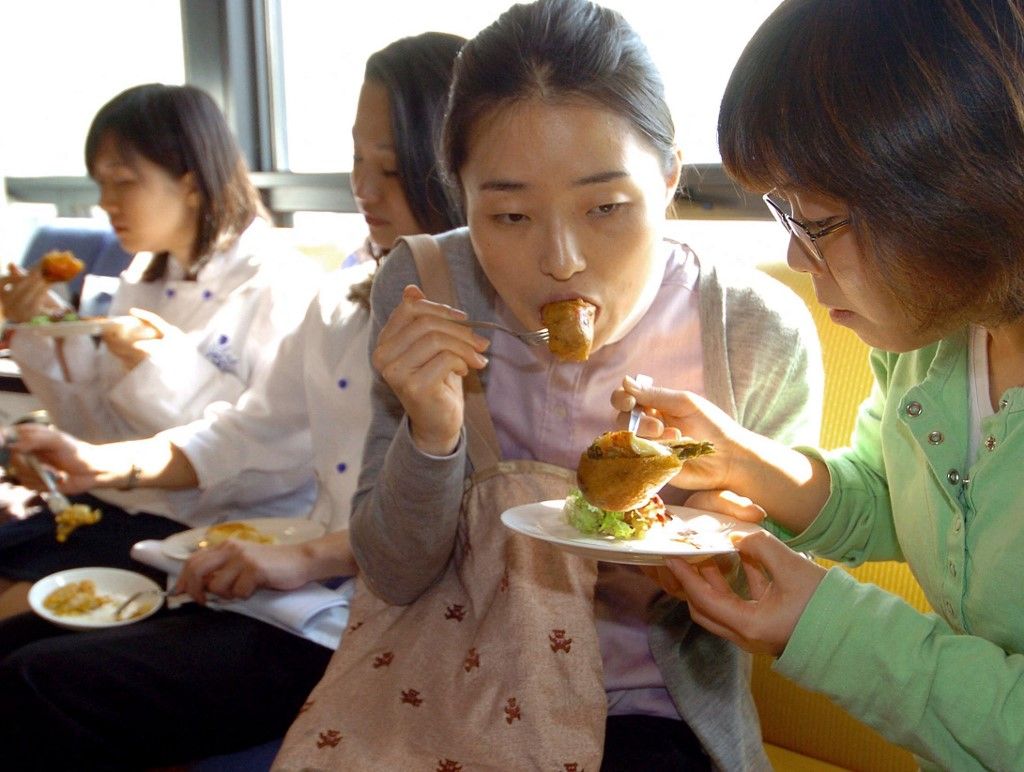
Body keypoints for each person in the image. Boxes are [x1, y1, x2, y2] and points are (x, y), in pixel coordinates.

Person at [275, 2, 821, 770]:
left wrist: (710, 540)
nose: (561, 259)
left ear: (668, 177)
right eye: (509, 214)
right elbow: (393, 572)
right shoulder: (428, 287)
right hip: (444, 685)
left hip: (645, 709)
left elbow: (771, 594)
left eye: (606, 206)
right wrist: (433, 433)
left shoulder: (753, 330)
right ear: (459, 196)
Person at [0, 31, 466, 770]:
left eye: (390, 165)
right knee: (16, 655)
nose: (362, 189)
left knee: (37, 685)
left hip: (376, 623)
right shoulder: (342, 302)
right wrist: (97, 462)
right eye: (355, 160)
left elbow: (456, 521)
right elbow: (244, 432)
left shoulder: (489, 317)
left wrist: (309, 556)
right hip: (289, 591)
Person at [623, 1, 1024, 770]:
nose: (798, 260)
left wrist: (828, 626)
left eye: (820, 219)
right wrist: (747, 464)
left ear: (959, 187)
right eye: (785, 212)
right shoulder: (932, 335)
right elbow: (893, 494)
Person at [0, 83, 325, 619]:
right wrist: (45, 329)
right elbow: (95, 429)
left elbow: (267, 455)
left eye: (123, 181)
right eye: (100, 183)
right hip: (116, 503)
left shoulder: (280, 284)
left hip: (204, 530)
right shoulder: (143, 277)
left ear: (191, 183)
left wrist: (157, 366)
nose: (105, 202)